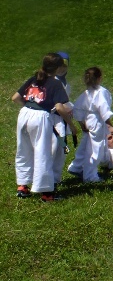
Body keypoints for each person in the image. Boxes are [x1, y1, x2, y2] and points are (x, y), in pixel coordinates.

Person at [12, 53, 76, 202]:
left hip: (24, 114)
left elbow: (15, 97)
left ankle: (22, 186)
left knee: (24, 150)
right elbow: (60, 108)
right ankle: (46, 193)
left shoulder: (34, 79)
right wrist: (72, 126)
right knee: (43, 153)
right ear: (59, 68)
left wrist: (31, 107)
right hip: (40, 118)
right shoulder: (55, 84)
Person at [68, 66, 113, 183]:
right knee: (95, 148)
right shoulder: (101, 92)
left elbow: (77, 109)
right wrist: (110, 124)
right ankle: (90, 176)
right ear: (99, 78)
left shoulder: (85, 93)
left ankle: (76, 166)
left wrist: (82, 123)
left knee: (85, 144)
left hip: (88, 120)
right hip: (97, 122)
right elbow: (103, 110)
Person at [52, 51, 77, 186]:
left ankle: (55, 178)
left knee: (61, 149)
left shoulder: (64, 82)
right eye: (59, 66)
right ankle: (53, 180)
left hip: (61, 121)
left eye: (65, 66)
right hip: (54, 122)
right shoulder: (54, 82)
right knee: (56, 150)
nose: (62, 69)